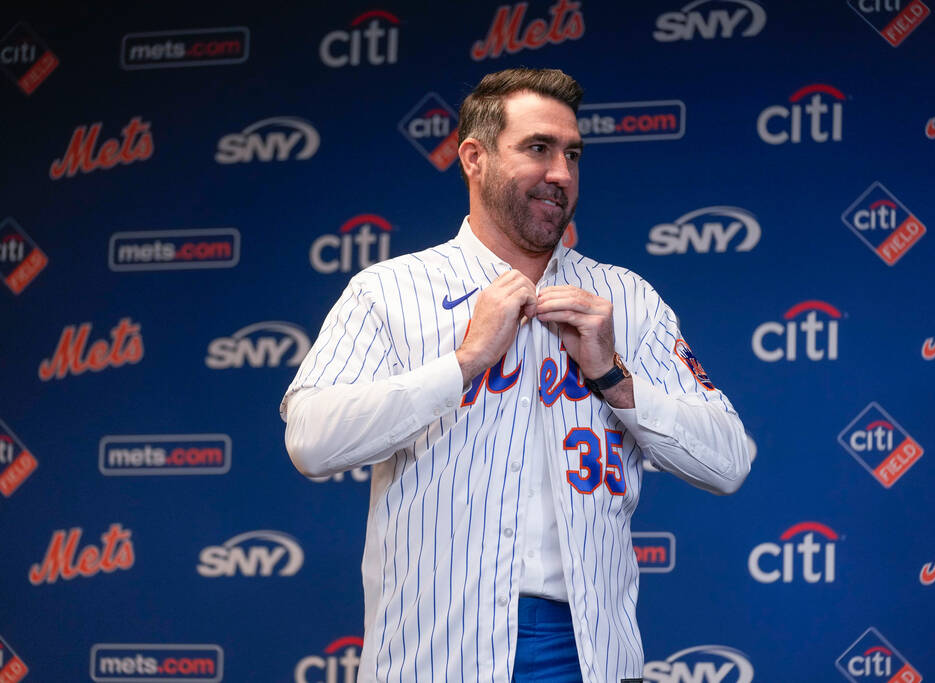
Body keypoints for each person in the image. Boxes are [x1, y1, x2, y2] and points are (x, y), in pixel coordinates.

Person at [281, 67, 752, 683]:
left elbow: (729, 459)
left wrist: (613, 376)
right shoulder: (389, 291)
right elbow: (312, 442)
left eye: (572, 153)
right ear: (474, 158)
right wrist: (465, 361)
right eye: (538, 148)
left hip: (587, 651)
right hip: (438, 653)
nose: (560, 172)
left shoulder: (626, 298)